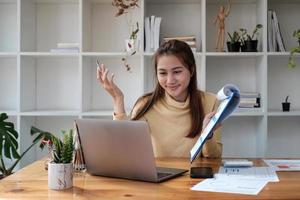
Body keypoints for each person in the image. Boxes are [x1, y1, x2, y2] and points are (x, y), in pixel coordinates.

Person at [96, 40, 222, 158]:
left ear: (191, 70)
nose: (170, 80)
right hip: (158, 179)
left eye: (177, 72)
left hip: (194, 180)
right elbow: (123, 147)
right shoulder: (145, 105)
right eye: (162, 73)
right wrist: (118, 99)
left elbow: (213, 157)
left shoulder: (211, 102)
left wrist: (207, 134)